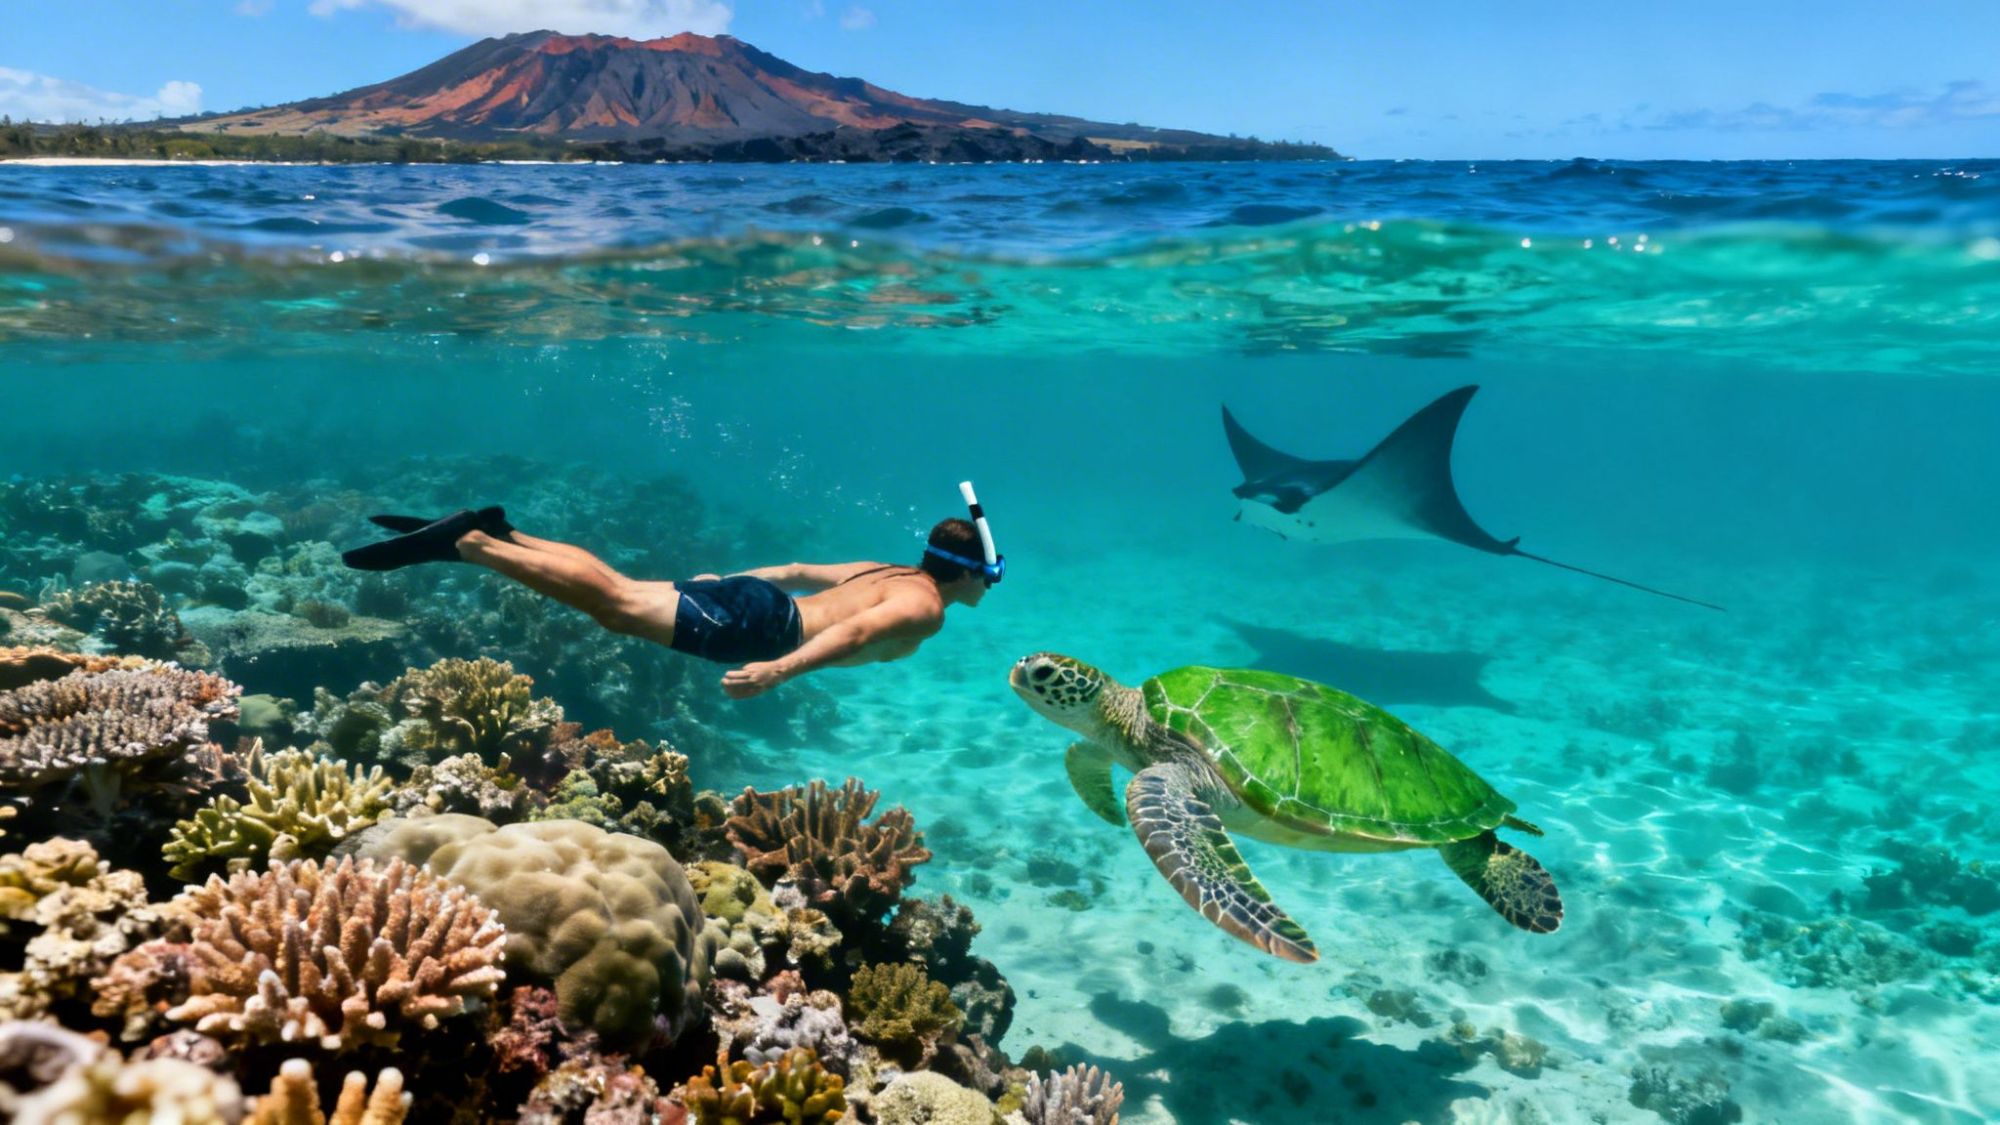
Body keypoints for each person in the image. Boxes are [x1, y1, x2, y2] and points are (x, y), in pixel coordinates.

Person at [341, 505, 998, 699]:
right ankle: (472, 546)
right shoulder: (925, 607)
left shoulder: (888, 568)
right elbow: (854, 637)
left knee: (619, 589)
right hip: (766, 630)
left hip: (758, 598)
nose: (992, 583)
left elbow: (797, 567)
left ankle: (506, 533)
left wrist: (721, 580)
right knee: (614, 605)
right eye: (991, 573)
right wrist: (779, 670)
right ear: (967, 573)